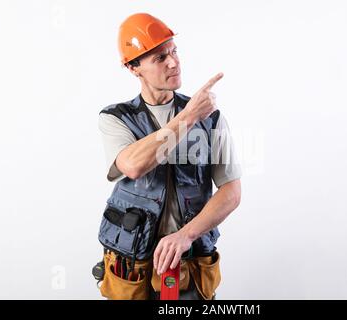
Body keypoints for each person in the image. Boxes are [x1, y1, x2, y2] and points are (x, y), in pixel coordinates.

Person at [96, 13, 242, 300]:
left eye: (174, 52)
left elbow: (231, 193)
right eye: (160, 58)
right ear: (133, 67)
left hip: (190, 264)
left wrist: (186, 234)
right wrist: (187, 117)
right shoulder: (116, 119)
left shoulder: (210, 119)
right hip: (131, 268)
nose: (174, 62)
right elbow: (134, 165)